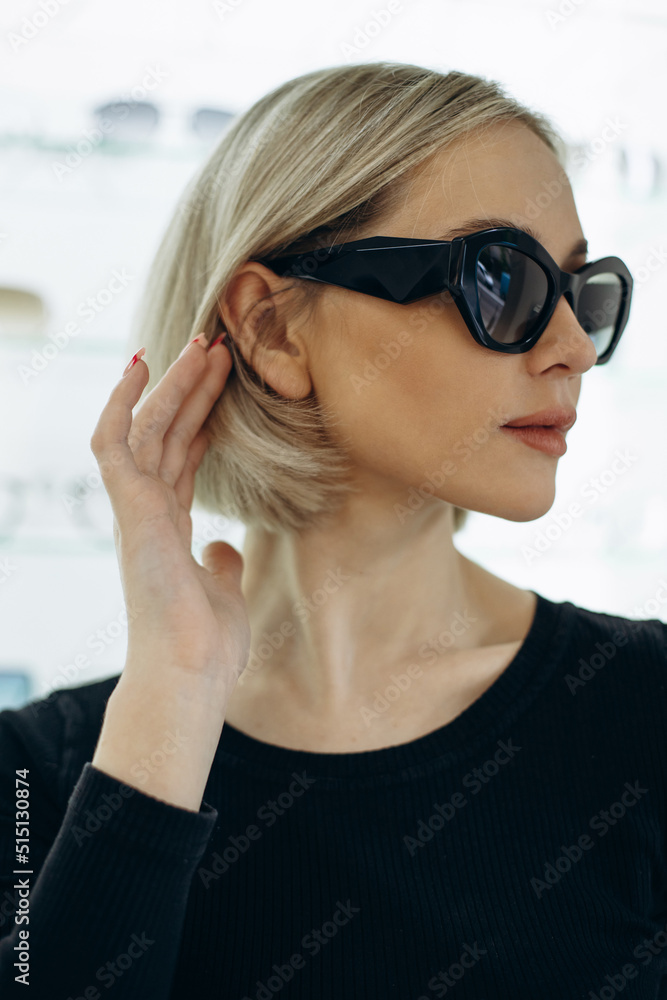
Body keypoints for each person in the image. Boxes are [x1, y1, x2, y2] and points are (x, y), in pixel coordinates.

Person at [0, 61, 665, 1000]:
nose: (573, 349)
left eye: (579, 292)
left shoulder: (643, 711)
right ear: (273, 329)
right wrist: (173, 697)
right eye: (502, 279)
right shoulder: (38, 775)